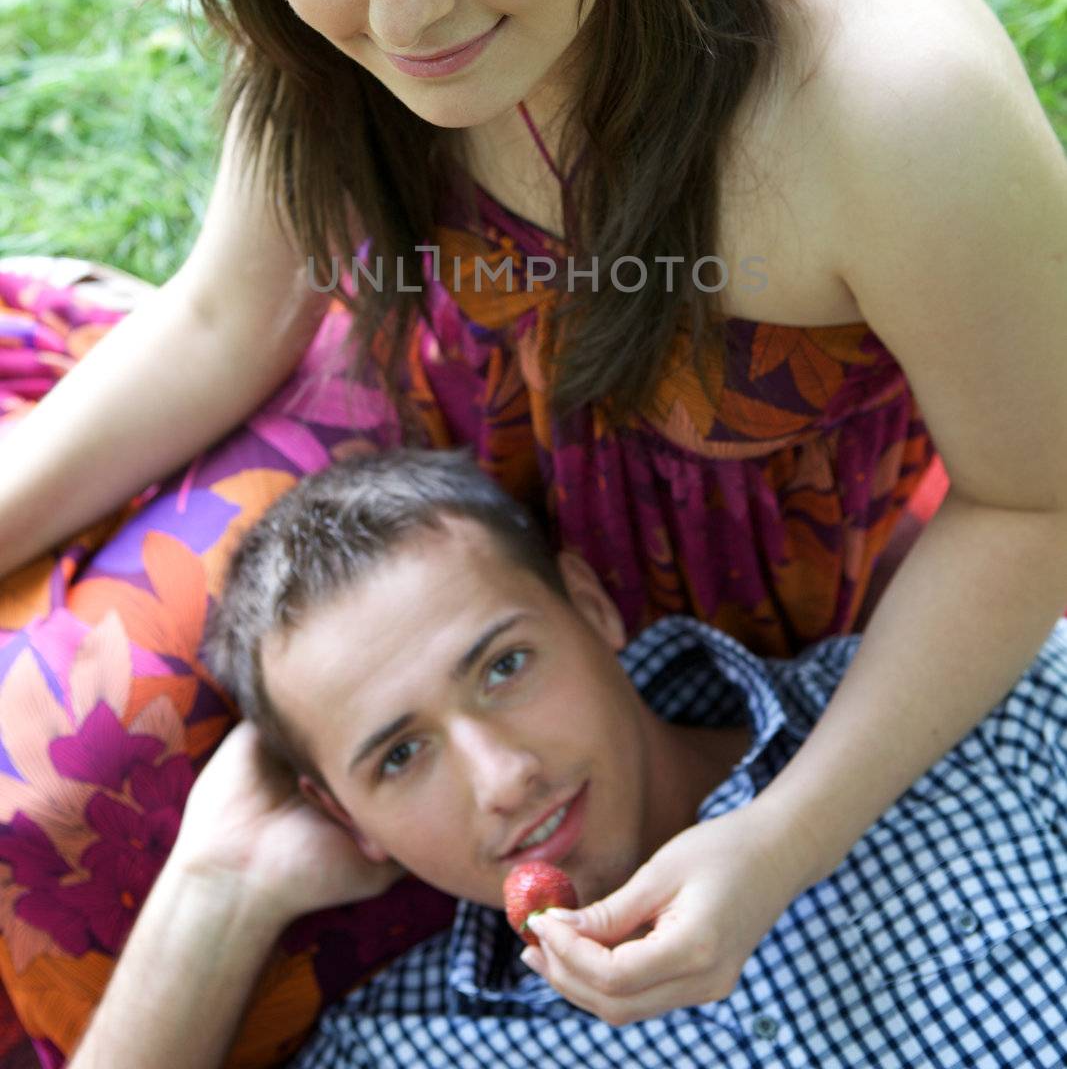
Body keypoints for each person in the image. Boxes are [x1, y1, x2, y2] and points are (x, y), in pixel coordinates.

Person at [0, 0, 1064, 1060]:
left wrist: (772, 847)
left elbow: (1038, 492)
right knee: (50, 783)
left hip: (728, 600)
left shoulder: (878, 93)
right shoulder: (323, 27)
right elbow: (228, 317)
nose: (396, 6)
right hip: (427, 479)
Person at [68, 448, 1067, 1069]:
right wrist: (216, 889)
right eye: (400, 755)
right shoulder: (404, 1052)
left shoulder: (974, 704)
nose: (502, 777)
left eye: (503, 665)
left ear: (590, 607)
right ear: (343, 815)